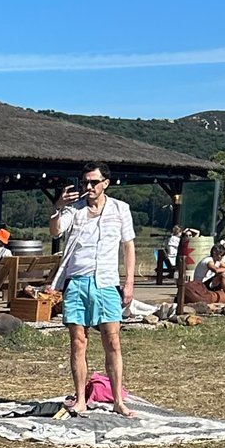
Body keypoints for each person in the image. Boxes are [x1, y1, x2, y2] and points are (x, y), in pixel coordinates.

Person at [50, 165, 136, 415]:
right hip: (77, 280)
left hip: (107, 281)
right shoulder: (74, 209)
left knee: (113, 340)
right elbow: (55, 230)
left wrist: (129, 282)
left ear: (105, 183)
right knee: (78, 341)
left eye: (93, 182)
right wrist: (57, 207)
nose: (88, 187)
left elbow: (128, 246)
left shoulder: (121, 209)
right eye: (85, 182)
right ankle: (80, 398)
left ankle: (118, 399)